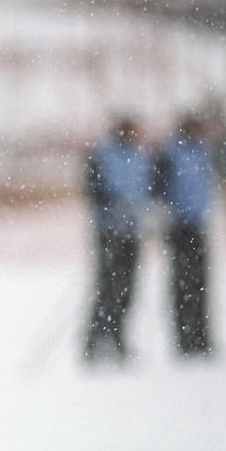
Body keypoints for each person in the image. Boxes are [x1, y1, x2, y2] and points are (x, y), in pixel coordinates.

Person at [82, 114, 154, 362]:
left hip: (132, 231)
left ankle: (119, 338)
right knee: (106, 287)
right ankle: (94, 341)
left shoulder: (140, 156)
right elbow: (92, 187)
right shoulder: (102, 154)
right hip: (108, 231)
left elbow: (149, 187)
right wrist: (110, 205)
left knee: (127, 289)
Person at [154, 112, 215, 357]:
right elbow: (158, 188)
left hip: (198, 224)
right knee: (182, 283)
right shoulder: (169, 154)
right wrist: (164, 215)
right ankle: (184, 338)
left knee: (200, 283)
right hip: (178, 225)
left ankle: (201, 336)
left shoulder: (201, 152)